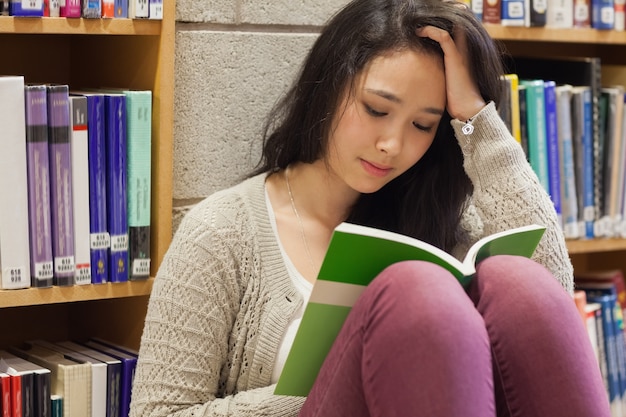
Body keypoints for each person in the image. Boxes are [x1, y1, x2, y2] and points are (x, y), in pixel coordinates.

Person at [129, 0, 611, 416]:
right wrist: (351, 373)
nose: (391, 144)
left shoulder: (435, 222)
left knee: (518, 281)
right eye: (377, 109)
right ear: (329, 85)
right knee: (415, 289)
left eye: (423, 126)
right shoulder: (222, 232)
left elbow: (550, 298)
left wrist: (476, 119)